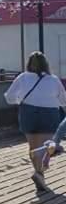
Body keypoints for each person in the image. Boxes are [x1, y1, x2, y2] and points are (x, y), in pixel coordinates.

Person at [5, 52, 66, 194]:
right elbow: (63, 100)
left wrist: (21, 100)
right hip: (49, 113)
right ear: (46, 64)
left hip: (28, 112)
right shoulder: (53, 79)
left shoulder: (22, 77)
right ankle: (40, 173)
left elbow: (9, 97)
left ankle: (39, 173)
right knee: (46, 146)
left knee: (33, 147)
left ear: (29, 63)